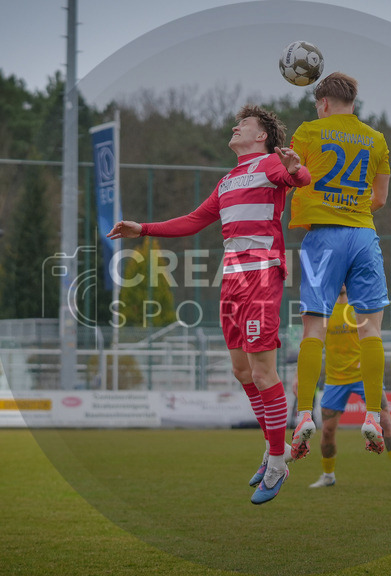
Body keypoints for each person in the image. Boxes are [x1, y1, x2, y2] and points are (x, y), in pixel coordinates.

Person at [108, 104, 310, 505]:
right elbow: (193, 220)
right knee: (240, 370)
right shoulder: (228, 180)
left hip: (262, 275)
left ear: (261, 137)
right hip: (231, 278)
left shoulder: (271, 163)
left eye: (244, 125)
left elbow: (299, 178)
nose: (235, 127)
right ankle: (277, 449)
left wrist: (295, 166)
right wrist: (143, 229)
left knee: (263, 370)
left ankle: (275, 460)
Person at [287, 72, 391, 459]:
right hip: (363, 235)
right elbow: (379, 198)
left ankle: (302, 416)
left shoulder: (309, 131)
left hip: (324, 239)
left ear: (324, 103)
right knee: (372, 330)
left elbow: (291, 175)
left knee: (313, 326)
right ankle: (373, 417)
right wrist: (353, 210)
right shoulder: (376, 139)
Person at [307, 287, 391, 491]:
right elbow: (313, 343)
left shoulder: (360, 306)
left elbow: (373, 338)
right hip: (335, 379)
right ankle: (328, 475)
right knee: (328, 431)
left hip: (364, 377)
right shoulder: (325, 309)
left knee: (385, 422)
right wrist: (299, 374)